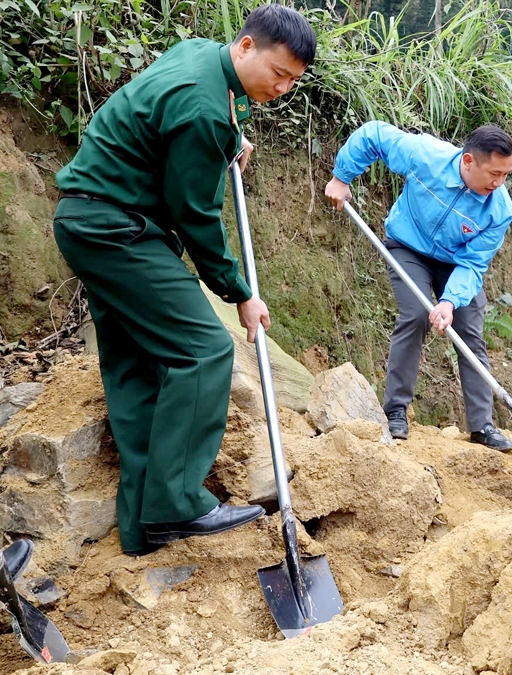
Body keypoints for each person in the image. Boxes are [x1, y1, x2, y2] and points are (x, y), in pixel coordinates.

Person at [51, 5, 315, 556]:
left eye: (293, 80)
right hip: (119, 231)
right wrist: (239, 291)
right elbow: (194, 215)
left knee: (136, 367)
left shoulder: (200, 55)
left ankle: (143, 527)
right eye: (279, 73)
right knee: (203, 350)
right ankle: (175, 503)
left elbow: (202, 112)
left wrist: (230, 139)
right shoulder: (203, 111)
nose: (283, 88)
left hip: (87, 220)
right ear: (246, 47)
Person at [324, 124, 512, 452]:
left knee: (470, 330)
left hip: (456, 263)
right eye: (494, 174)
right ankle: (396, 410)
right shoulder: (426, 155)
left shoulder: (499, 210)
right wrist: (342, 177)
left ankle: (482, 425)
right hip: (408, 246)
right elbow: (374, 135)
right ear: (469, 161)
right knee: (414, 315)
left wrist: (450, 302)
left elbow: (473, 264)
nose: (499, 183)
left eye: (506, 175)